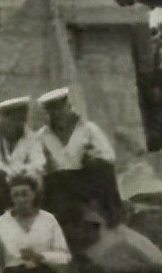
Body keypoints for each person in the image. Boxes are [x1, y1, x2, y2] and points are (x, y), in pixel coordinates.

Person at [36, 87, 123, 236]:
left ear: (68, 107)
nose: (57, 115)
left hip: (86, 178)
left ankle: (114, 216)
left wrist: (92, 156)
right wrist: (44, 166)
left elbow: (109, 156)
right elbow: (36, 164)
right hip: (59, 183)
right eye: (52, 112)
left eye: (60, 109)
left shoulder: (88, 129)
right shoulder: (42, 136)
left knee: (102, 167)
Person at [0, 98, 45, 220]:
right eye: (15, 120)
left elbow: (39, 161)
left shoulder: (30, 135)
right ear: (3, 118)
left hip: (22, 180)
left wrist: (23, 171)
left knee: (37, 181)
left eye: (22, 120)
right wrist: (12, 172)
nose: (19, 124)